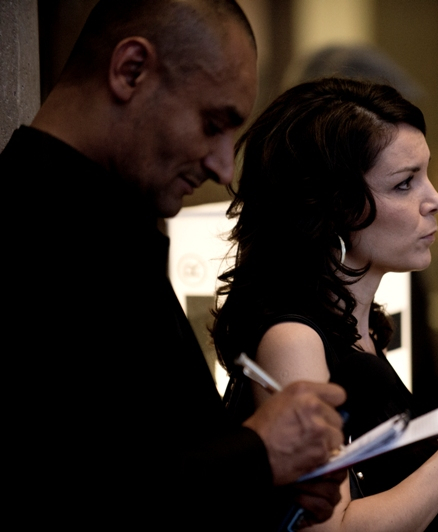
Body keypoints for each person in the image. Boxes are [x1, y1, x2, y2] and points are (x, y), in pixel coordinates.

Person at [0, 0, 346, 525]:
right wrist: (256, 455)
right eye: (212, 124)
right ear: (131, 70)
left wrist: (272, 481)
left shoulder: (111, 228)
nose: (223, 167)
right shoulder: (32, 231)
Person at [212, 77, 438, 531]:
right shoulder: (293, 339)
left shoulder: (362, 330)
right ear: (334, 207)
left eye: (425, 175)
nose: (436, 199)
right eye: (405, 184)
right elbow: (328, 529)